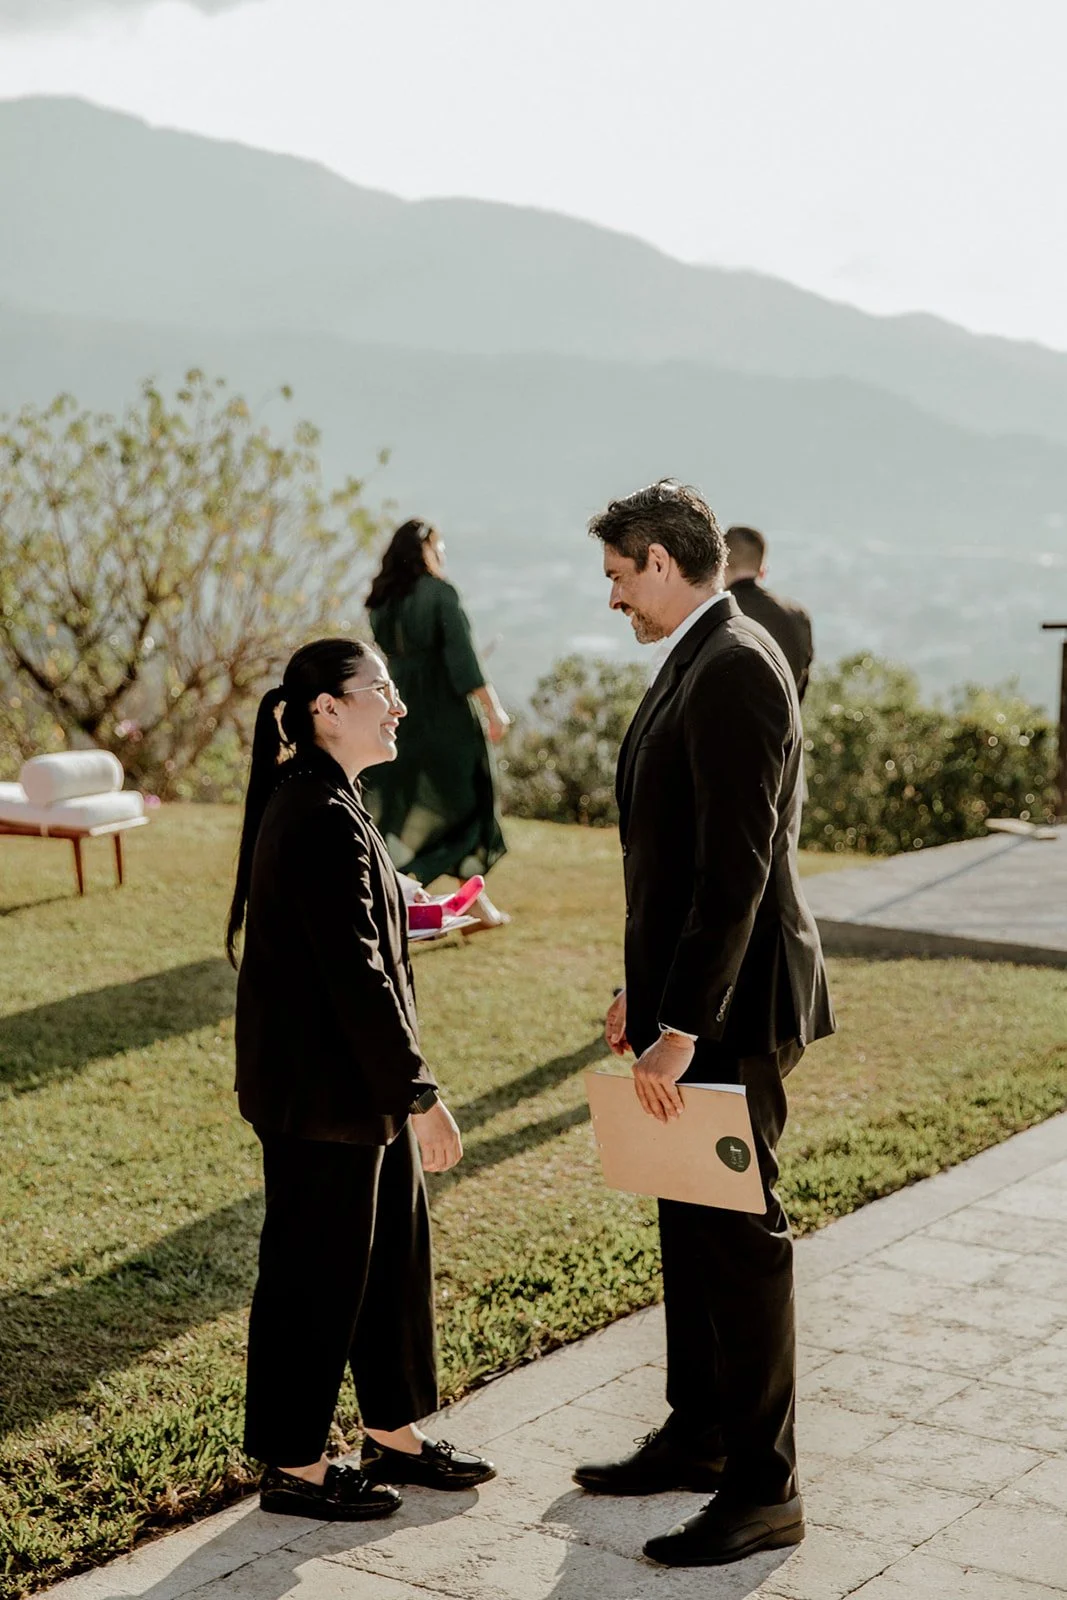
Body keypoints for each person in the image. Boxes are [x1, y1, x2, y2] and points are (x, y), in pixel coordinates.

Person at [574, 482, 834, 1568]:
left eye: (618, 578)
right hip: (688, 997)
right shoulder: (696, 652)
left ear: (659, 560)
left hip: (736, 1004)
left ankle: (763, 1486)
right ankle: (698, 1428)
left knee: (739, 1235)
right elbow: (674, 862)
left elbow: (735, 869)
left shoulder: (732, 666)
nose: (614, 601)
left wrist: (683, 1019)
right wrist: (646, 990)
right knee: (687, 1215)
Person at [226, 637, 495, 1522]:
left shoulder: (334, 801)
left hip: (354, 1089)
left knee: (388, 1264)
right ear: (325, 711)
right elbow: (355, 972)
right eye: (380, 689)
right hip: (322, 1098)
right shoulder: (315, 811)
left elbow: (359, 937)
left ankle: (394, 1431)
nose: (399, 704)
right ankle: (295, 1467)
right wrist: (420, 1092)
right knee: (313, 1275)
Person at [362, 519, 510, 930]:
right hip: (445, 720)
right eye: (439, 547)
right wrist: (494, 709)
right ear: (426, 549)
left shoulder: (382, 603)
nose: (442, 555)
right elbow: (465, 662)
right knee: (469, 804)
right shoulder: (440, 594)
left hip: (398, 716)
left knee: (401, 807)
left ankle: (473, 906)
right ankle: (437, 898)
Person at [725, 524, 814, 702]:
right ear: (763, 571)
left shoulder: (718, 613)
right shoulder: (798, 615)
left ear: (720, 566)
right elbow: (801, 684)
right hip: (785, 725)